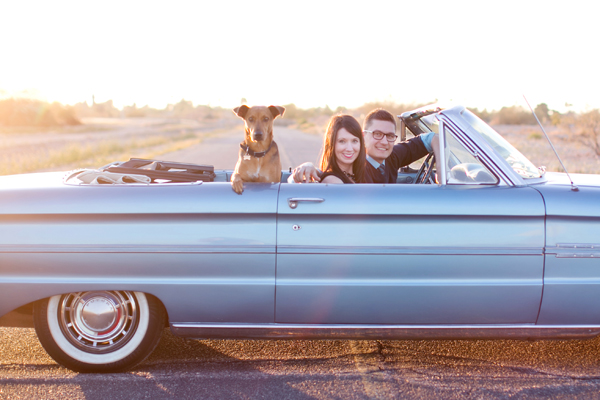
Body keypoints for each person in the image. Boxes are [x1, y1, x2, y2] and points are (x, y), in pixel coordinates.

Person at [292, 108, 439, 184]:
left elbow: (431, 138)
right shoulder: (343, 174)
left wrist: (441, 171)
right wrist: (310, 168)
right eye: (377, 134)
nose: (384, 141)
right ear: (364, 136)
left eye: (389, 136)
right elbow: (331, 174)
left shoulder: (391, 155)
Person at [318, 114, 366, 184]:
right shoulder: (332, 181)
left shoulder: (359, 176)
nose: (349, 149)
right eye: (342, 141)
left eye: (354, 141)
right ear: (331, 144)